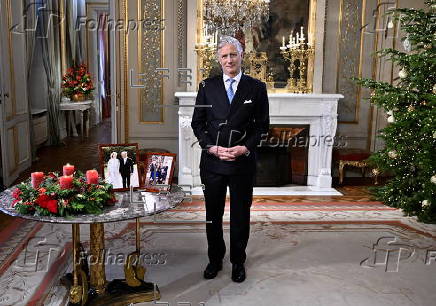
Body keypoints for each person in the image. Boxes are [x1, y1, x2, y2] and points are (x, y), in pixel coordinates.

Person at [191, 36, 270, 283]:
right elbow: (198, 123)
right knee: (212, 214)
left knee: (239, 215)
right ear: (218, 59)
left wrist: (244, 148)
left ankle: (238, 262)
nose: (229, 60)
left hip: (241, 163)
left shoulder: (256, 88)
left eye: (233, 55)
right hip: (212, 163)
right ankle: (215, 259)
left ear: (241, 56)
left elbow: (262, 127)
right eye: (224, 56)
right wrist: (211, 147)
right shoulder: (207, 86)